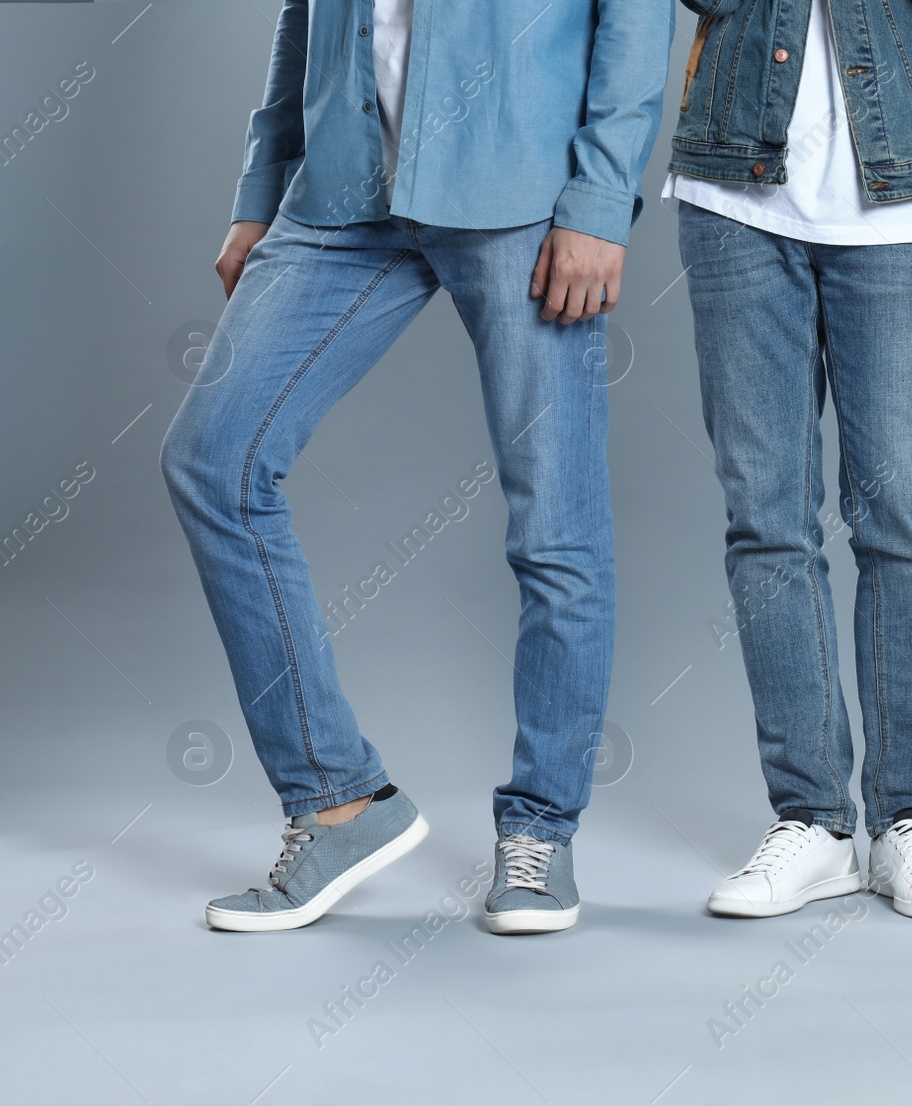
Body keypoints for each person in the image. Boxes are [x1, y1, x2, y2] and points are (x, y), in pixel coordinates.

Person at [160, 0, 673, 934]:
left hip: (519, 189)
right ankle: (338, 800)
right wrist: (259, 189)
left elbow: (633, 18)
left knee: (555, 529)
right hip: (344, 193)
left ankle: (542, 831)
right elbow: (300, 20)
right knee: (213, 461)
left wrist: (600, 201)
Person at [665, 0, 912, 919]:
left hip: (907, 185)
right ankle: (812, 820)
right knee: (766, 516)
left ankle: (908, 824)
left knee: (905, 517)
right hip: (736, 183)